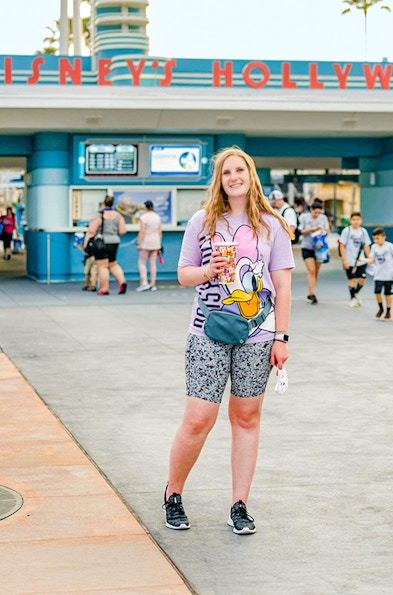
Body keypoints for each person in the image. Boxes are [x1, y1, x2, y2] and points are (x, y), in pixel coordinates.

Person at [163, 146, 294, 535]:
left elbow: (283, 286)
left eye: (240, 170)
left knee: (247, 418)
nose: (234, 177)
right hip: (207, 330)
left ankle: (239, 505)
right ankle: (173, 493)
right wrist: (207, 270)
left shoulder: (271, 224)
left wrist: (281, 338)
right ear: (218, 180)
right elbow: (183, 273)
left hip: (259, 335)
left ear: (251, 174)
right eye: (226, 172)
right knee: (198, 418)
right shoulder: (202, 221)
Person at [83, 195, 127, 296]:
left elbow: (91, 231)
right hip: (114, 242)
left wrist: (86, 243)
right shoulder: (118, 215)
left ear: (103, 203)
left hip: (101, 243)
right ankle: (122, 282)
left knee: (102, 266)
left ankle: (104, 288)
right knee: (113, 264)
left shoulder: (98, 215)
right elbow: (123, 230)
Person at [365, 228, 393, 321]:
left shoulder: (389, 246)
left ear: (383, 237)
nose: (376, 241)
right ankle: (381, 308)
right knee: (377, 292)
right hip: (378, 274)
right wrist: (363, 260)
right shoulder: (374, 247)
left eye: (378, 238)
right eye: (374, 239)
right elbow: (371, 259)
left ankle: (388, 312)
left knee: (387, 294)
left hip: (389, 275)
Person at [299, 201, 330, 304]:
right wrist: (311, 229)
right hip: (307, 246)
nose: (317, 214)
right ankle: (312, 294)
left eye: (319, 212)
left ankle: (311, 292)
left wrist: (322, 231)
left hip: (319, 247)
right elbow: (300, 231)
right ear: (311, 210)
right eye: (315, 212)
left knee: (316, 271)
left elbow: (327, 231)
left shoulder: (323, 218)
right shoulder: (304, 217)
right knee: (311, 270)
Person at [339, 212, 371, 308]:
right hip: (350, 260)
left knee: (362, 278)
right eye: (354, 220)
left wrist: (369, 258)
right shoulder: (346, 231)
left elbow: (366, 246)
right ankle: (352, 298)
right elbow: (342, 246)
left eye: (357, 219)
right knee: (352, 279)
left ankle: (356, 292)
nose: (356, 222)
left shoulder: (363, 232)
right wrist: (345, 260)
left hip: (360, 261)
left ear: (361, 221)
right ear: (350, 221)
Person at [136, 200, 162, 292]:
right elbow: (160, 231)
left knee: (142, 262)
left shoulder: (143, 217)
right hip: (155, 241)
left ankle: (144, 283)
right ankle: (152, 284)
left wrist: (138, 242)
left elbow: (142, 231)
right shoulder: (157, 217)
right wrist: (159, 242)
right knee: (152, 263)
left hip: (146, 242)